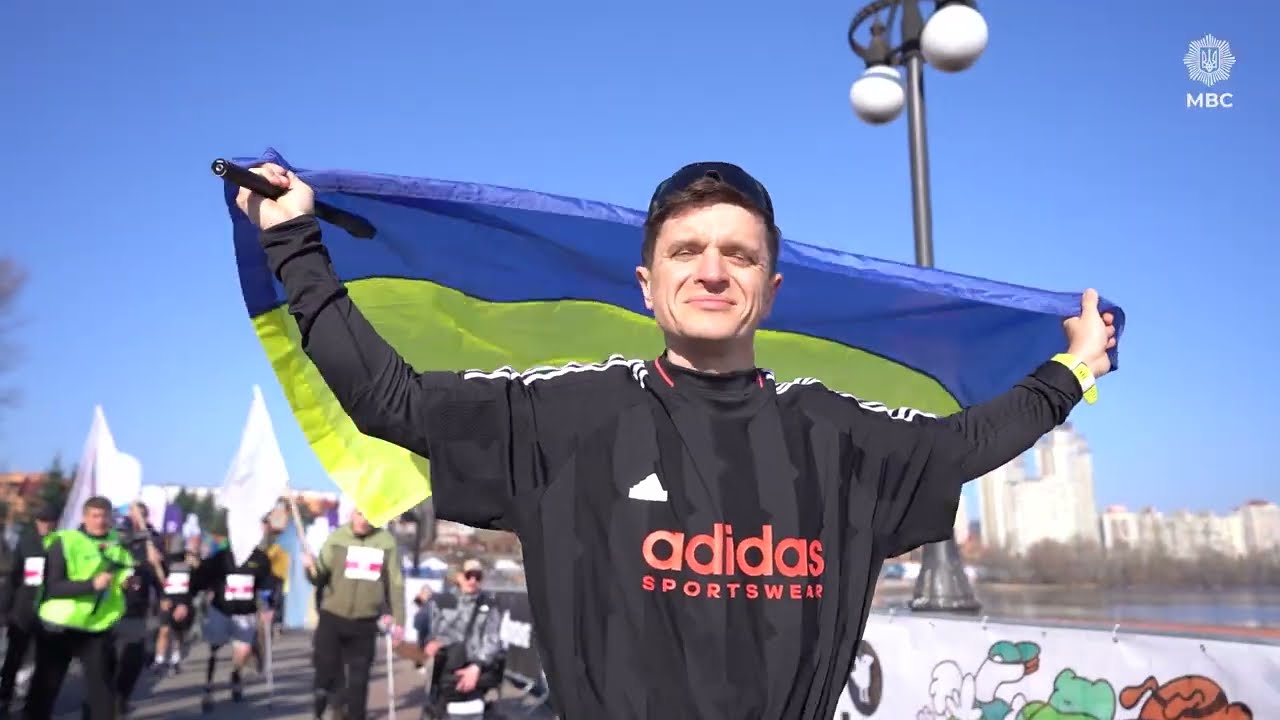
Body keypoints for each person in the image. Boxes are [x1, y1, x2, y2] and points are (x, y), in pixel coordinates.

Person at [236, 161, 1118, 719]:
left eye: (740, 255)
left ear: (771, 291)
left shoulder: (837, 433)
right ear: (647, 285)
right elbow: (389, 401)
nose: (712, 271)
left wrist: (1073, 369)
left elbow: (964, 445)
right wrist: (295, 245)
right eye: (687, 251)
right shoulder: (567, 416)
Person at [22, 495, 134, 720]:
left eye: (104, 516)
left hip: (96, 626)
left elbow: (124, 572)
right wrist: (91, 585)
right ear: (84, 517)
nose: (100, 521)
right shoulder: (65, 541)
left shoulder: (118, 544)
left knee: (102, 692)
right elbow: (54, 587)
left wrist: (128, 583)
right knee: (45, 689)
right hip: (59, 626)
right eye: (95, 516)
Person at [303, 508, 405, 720]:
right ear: (351, 514)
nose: (363, 520)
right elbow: (318, 577)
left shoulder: (386, 542)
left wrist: (399, 620)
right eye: (359, 513)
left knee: (359, 680)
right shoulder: (337, 538)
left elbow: (395, 583)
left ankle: (355, 715)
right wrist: (309, 567)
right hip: (333, 617)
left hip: (365, 622)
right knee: (327, 670)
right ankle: (328, 704)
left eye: (369, 514)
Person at [190, 532, 280, 712]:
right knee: (214, 647)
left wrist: (269, 606)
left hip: (245, 612)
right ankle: (209, 685)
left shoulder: (259, 559)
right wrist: (196, 574)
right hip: (221, 611)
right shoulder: (222, 558)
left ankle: (236, 674)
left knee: (244, 650)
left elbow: (268, 583)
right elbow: (203, 575)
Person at [421, 559, 504, 719]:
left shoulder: (489, 604)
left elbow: (493, 639)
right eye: (468, 575)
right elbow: (431, 632)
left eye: (478, 576)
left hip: (477, 671)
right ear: (459, 576)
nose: (473, 580)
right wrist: (430, 643)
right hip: (444, 672)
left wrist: (477, 667)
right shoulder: (442, 601)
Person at [0, 507, 56, 714]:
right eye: (41, 520)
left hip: (49, 609)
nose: (45, 525)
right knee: (14, 657)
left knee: (43, 660)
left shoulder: (60, 543)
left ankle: (33, 702)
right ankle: (4, 697)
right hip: (23, 609)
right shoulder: (27, 542)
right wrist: (4, 608)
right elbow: (14, 576)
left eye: (49, 521)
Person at [114, 503, 165, 717]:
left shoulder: (151, 540)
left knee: (134, 660)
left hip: (137, 607)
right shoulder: (115, 536)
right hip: (111, 608)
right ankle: (106, 701)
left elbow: (159, 572)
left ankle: (122, 696)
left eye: (141, 515)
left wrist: (163, 596)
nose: (137, 518)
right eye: (135, 513)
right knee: (109, 660)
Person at [154, 534, 201, 674]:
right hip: (167, 600)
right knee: (164, 630)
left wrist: (184, 604)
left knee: (177, 632)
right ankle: (159, 660)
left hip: (183, 602)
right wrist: (163, 599)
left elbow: (196, 585)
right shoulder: (165, 561)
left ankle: (175, 660)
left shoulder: (190, 561)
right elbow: (159, 581)